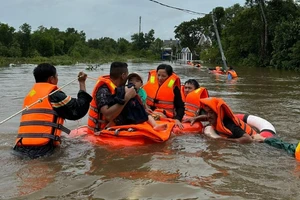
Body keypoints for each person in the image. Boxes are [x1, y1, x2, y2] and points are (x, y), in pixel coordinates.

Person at [13, 63, 92, 159]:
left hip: (19, 148)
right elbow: (78, 109)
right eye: (57, 76)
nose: (57, 79)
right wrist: (82, 83)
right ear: (51, 79)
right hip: (41, 150)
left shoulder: (30, 95)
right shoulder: (54, 95)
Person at [87, 62, 166, 134]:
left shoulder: (120, 88)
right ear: (123, 75)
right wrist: (127, 97)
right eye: (128, 77)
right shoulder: (103, 89)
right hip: (98, 130)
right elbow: (108, 115)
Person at [190, 97, 255, 143]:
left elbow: (248, 139)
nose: (208, 116)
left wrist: (224, 140)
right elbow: (207, 117)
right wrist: (195, 118)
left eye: (211, 112)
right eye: (207, 112)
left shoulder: (229, 125)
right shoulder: (216, 118)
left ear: (218, 113)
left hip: (253, 138)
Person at [143, 64, 185, 129]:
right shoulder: (150, 83)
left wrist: (178, 119)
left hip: (163, 114)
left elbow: (180, 107)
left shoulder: (174, 89)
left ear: (169, 76)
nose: (160, 78)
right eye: (158, 75)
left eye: (163, 76)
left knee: (154, 115)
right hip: (148, 110)